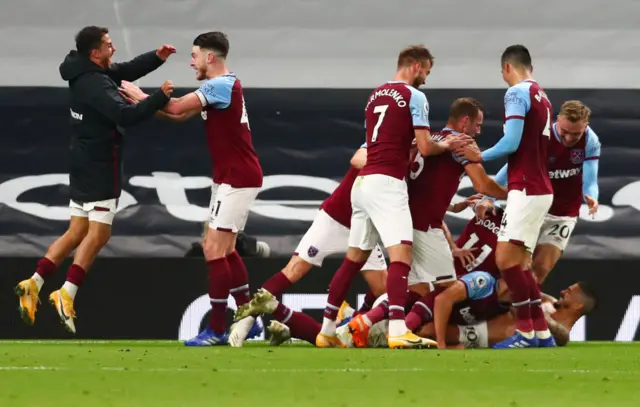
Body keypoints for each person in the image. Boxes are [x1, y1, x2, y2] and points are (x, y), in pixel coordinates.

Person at [14, 26, 175, 333]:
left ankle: (33, 283)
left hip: (82, 159)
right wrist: (159, 98)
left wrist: (157, 57)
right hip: (101, 163)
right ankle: (66, 293)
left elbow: (125, 70)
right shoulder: (95, 84)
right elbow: (125, 116)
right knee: (99, 234)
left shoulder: (84, 70)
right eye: (109, 45)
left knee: (77, 231)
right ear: (95, 52)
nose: (113, 49)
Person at [316, 45, 471, 349]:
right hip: (387, 184)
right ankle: (398, 329)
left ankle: (327, 330)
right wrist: (449, 143)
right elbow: (427, 148)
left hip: (362, 185)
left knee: (353, 260)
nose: (425, 78)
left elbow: (390, 140)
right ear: (415, 66)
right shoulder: (416, 97)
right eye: (426, 71)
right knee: (402, 256)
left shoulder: (376, 94)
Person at [121, 32, 263, 346]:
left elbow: (174, 107)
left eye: (195, 55)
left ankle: (215, 329)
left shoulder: (219, 85)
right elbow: (179, 116)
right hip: (230, 176)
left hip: (237, 177)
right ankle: (249, 318)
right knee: (223, 247)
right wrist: (143, 103)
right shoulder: (220, 88)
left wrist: (141, 94)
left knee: (214, 249)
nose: (191, 61)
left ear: (210, 58)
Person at [346, 98, 507, 346]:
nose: (479, 131)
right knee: (447, 290)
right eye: (477, 124)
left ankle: (359, 324)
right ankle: (403, 332)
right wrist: (514, 193)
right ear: (465, 122)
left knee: (416, 289)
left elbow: (428, 185)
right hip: (424, 226)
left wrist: (455, 205)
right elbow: (483, 184)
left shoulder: (429, 139)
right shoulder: (462, 142)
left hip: (400, 218)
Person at [231, 144, 388, 347]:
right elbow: (357, 159)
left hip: (364, 226)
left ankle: (350, 321)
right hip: (335, 218)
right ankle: (247, 321)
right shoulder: (382, 138)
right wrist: (388, 166)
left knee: (383, 289)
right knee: (294, 270)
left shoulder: (412, 159)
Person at [460, 45, 555, 348]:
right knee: (520, 265)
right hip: (537, 188)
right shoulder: (542, 95)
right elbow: (525, 151)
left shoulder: (515, 93)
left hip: (527, 189)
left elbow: (512, 142)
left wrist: (479, 155)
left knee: (505, 260)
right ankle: (541, 332)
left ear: (506, 69)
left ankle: (525, 332)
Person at [478, 100, 601, 285]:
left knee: (540, 269)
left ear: (586, 126)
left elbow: (590, 181)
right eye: (564, 132)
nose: (568, 138)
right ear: (557, 120)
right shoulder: (539, 138)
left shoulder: (590, 141)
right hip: (531, 207)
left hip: (563, 213)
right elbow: (510, 169)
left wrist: (592, 197)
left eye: (575, 134)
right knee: (514, 267)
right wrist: (488, 197)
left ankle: (523, 312)